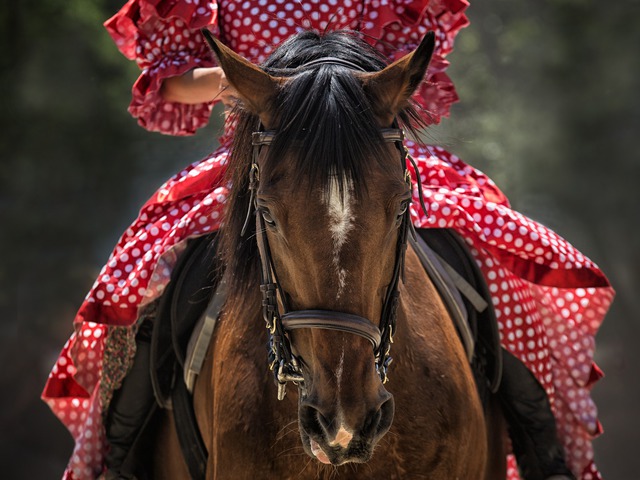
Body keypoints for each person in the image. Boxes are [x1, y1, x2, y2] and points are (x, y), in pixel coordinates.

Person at [41, 1, 614, 479]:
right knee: (152, 283)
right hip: (265, 159)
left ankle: (543, 448)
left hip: (363, 152)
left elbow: (414, 67)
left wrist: (341, 85)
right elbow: (173, 82)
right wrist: (265, 83)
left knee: (494, 261)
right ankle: (119, 454)